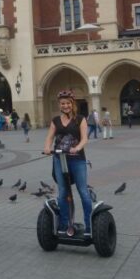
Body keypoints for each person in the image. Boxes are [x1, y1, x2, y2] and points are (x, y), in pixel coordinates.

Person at [43, 89, 92, 238]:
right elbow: (50, 137)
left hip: (77, 159)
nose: (65, 106)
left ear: (72, 104)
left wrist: (76, 147)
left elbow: (85, 138)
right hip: (59, 159)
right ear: (60, 105)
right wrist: (47, 147)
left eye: (68, 103)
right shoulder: (55, 121)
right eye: (63, 103)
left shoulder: (80, 119)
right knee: (63, 192)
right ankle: (64, 225)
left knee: (83, 191)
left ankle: (89, 226)